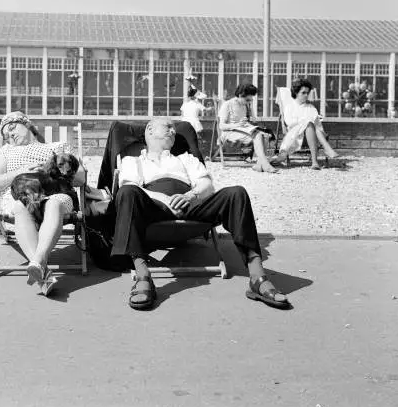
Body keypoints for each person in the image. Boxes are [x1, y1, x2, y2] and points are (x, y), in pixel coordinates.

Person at [111, 118, 290, 311]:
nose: (174, 131)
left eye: (174, 128)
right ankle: (143, 276)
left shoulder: (185, 158)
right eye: (168, 127)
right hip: (154, 208)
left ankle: (257, 277)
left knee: (237, 193)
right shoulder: (134, 160)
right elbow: (130, 186)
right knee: (127, 193)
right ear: (150, 130)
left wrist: (190, 196)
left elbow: (207, 185)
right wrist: (165, 200)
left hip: (191, 205)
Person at [0, 111, 84, 296]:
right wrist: (19, 171)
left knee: (54, 204)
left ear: (27, 124)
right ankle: (40, 269)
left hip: (57, 193)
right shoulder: (5, 152)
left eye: (12, 128)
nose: (10, 135)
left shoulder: (58, 146)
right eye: (6, 135)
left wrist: (53, 169)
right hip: (21, 195)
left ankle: (37, 263)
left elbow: (80, 178)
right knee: (20, 207)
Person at [273, 78, 339, 170]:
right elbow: (290, 123)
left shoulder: (311, 107)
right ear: (296, 93)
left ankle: (315, 162)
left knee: (310, 124)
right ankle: (327, 149)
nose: (306, 95)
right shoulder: (289, 107)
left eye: (307, 93)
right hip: (294, 136)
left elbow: (318, 124)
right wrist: (305, 120)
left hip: (311, 136)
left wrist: (306, 121)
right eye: (303, 93)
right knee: (308, 122)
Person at [217, 83, 277, 173]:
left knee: (264, 135)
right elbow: (221, 126)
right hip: (230, 133)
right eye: (248, 99)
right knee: (257, 135)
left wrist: (249, 120)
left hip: (242, 131)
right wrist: (238, 125)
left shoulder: (245, 105)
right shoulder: (227, 105)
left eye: (251, 99)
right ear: (240, 95)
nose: (249, 101)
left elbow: (251, 120)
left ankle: (259, 165)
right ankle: (265, 164)